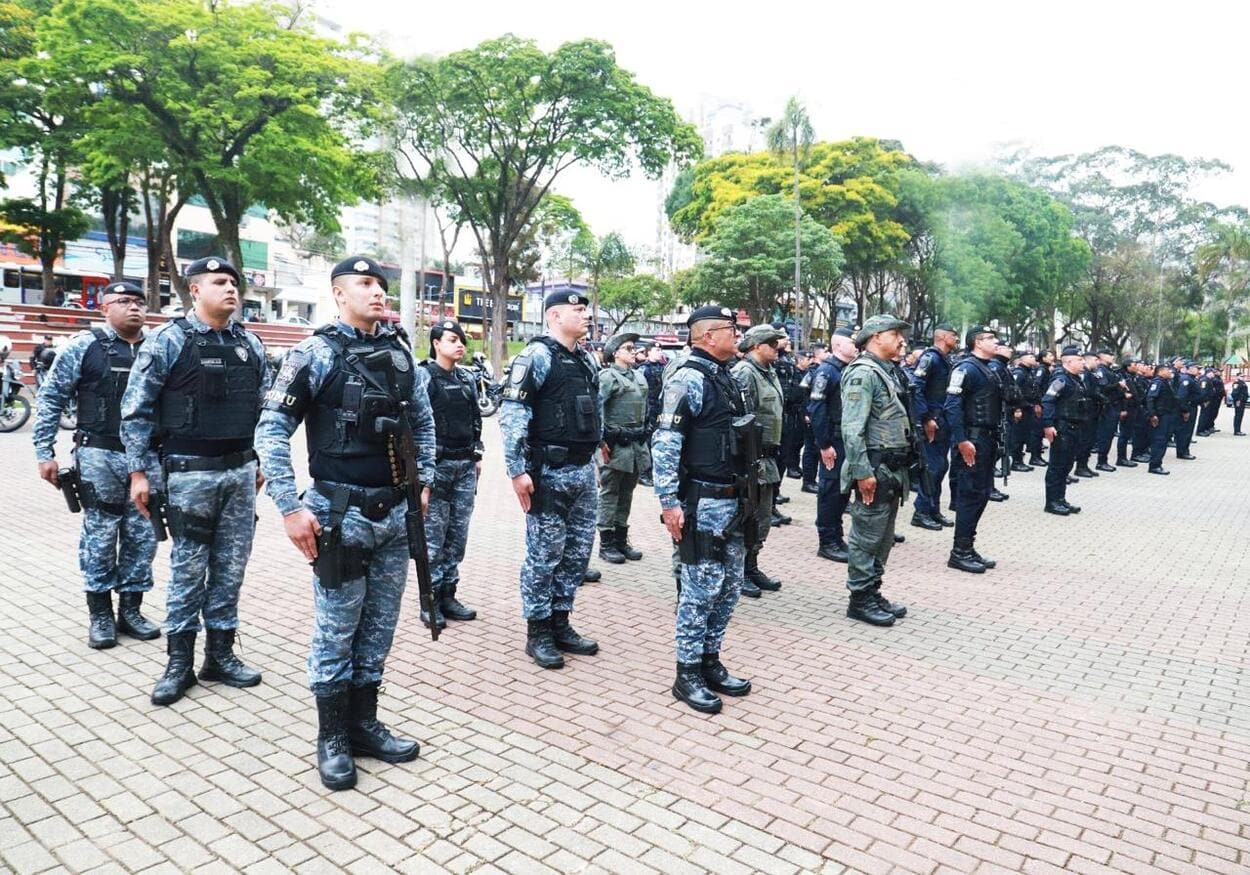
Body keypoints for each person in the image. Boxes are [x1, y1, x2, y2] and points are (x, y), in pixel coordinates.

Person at [255, 256, 435, 791]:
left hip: (393, 512)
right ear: (338, 293)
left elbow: (422, 423)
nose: (378, 292)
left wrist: (420, 484)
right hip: (340, 513)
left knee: (378, 627)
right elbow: (271, 431)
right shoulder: (314, 354)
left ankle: (363, 726)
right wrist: (290, 507)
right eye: (365, 284)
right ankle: (331, 738)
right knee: (337, 630)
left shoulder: (400, 355)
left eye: (382, 284)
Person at [120, 256, 270, 707]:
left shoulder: (251, 344)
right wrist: (139, 471)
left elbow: (264, 412)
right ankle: (178, 663)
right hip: (188, 473)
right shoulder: (169, 341)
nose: (230, 288)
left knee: (230, 567)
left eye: (234, 282)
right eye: (219, 282)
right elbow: (136, 409)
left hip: (241, 473)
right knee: (188, 569)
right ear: (195, 290)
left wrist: (260, 459)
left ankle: (220, 656)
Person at [33, 281, 163, 649]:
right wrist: (44, 451)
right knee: (101, 534)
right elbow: (51, 398)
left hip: (149, 457)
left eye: (139, 301)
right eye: (123, 302)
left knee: (142, 535)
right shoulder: (84, 346)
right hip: (99, 455)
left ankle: (132, 610)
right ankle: (101, 614)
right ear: (104, 309)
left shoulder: (158, 347)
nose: (134, 308)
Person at [653, 305, 751, 714]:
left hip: (733, 499)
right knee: (699, 591)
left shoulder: (725, 377)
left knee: (728, 589)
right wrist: (668, 502)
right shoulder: (688, 378)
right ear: (708, 335)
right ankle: (687, 672)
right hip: (703, 501)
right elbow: (665, 443)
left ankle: (710, 661)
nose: (738, 335)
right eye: (731, 329)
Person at [499, 291, 601, 670]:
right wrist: (516, 470)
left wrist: (598, 444)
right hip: (548, 473)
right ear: (555, 316)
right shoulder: (536, 356)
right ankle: (538, 631)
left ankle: (561, 621)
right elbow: (513, 415)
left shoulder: (585, 359)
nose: (586, 315)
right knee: (544, 556)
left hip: (582, 472)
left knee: (576, 554)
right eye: (578, 310)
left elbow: (593, 407)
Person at [840, 315, 912, 627]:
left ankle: (872, 590)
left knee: (883, 538)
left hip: (891, 469)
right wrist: (861, 472)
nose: (901, 340)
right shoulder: (862, 374)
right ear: (875, 337)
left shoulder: (887, 372)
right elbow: (852, 429)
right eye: (895, 334)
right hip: (873, 468)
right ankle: (859, 599)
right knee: (865, 537)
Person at [420, 319, 482, 629]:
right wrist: (422, 479)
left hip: (464, 466)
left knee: (457, 537)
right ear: (436, 344)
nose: (459, 345)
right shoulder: (424, 378)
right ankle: (429, 601)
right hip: (437, 468)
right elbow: (416, 428)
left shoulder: (467, 379)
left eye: (461, 340)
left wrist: (477, 454)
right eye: (451, 339)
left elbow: (475, 420)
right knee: (434, 538)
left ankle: (448, 594)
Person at [731, 324, 788, 595]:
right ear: (755, 346)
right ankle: (739, 571)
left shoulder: (769, 372)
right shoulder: (745, 372)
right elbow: (741, 420)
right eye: (772, 344)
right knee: (748, 517)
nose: (777, 348)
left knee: (762, 518)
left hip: (767, 457)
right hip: (751, 459)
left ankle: (751, 566)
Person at [943, 326, 1004, 573]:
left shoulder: (990, 369)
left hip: (987, 439)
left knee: (981, 494)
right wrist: (961, 440)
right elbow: (951, 406)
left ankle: (968, 546)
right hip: (972, 440)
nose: (996, 342)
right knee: (969, 495)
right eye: (990, 338)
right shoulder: (966, 368)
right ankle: (959, 552)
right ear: (977, 342)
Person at [596, 331, 650, 565]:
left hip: (636, 444)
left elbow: (647, 408)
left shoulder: (639, 377)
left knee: (627, 493)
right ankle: (606, 543)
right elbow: (596, 410)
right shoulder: (608, 377)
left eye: (634, 348)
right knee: (610, 493)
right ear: (615, 353)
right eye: (628, 348)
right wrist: (601, 441)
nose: (633, 352)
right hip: (616, 445)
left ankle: (620, 539)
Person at [808, 333, 856, 563]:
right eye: (850, 342)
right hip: (833, 441)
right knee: (830, 490)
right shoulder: (827, 371)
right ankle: (827, 541)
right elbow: (816, 409)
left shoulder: (845, 369)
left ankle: (836, 538)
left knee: (841, 491)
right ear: (837, 345)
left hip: (844, 439)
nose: (855, 345)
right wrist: (824, 444)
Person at [908, 323, 958, 531]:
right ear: (943, 337)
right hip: (933, 421)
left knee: (940, 467)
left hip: (942, 421)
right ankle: (921, 511)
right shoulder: (930, 358)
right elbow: (916, 388)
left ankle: (933, 509)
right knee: (931, 468)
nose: (956, 339)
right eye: (954, 335)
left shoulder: (944, 359)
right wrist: (926, 418)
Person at [1039, 346, 1090, 515]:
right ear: (1068, 362)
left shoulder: (1075, 379)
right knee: (1057, 466)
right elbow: (1048, 401)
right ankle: (1052, 502)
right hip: (1062, 427)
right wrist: (1048, 425)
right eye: (1079, 360)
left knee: (1067, 465)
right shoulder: (1061, 379)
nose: (1083, 362)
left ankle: (1060, 499)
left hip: (1075, 427)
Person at [638, 343, 666, 487]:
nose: (659, 352)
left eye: (660, 350)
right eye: (656, 350)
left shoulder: (662, 368)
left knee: (657, 441)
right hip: (648, 409)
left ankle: (653, 472)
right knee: (647, 442)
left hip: (659, 408)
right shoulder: (644, 369)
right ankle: (643, 473)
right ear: (648, 353)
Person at [1144, 362, 1179, 475]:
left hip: (1167, 415)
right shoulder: (1157, 382)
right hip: (1161, 416)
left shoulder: (1165, 382)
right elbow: (1150, 399)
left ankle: (1157, 463)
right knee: (1159, 441)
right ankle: (1154, 465)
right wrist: (1152, 415)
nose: (1170, 372)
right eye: (1168, 370)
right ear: (1161, 371)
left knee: (1163, 441)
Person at [1174, 362, 1200, 460]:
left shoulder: (1192, 379)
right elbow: (1182, 397)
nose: (1198, 370)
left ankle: (1185, 450)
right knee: (1185, 431)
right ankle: (1182, 452)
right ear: (1189, 369)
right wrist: (1185, 411)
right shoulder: (1186, 380)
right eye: (1196, 368)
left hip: (1192, 407)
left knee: (1188, 431)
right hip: (1188, 408)